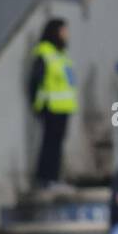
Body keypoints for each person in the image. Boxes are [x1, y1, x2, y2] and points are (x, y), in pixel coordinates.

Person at [28, 18, 75, 188]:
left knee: (57, 144)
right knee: (50, 144)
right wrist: (38, 105)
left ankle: (54, 177)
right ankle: (46, 178)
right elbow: (36, 81)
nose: (66, 34)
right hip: (51, 106)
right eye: (63, 30)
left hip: (64, 106)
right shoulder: (45, 52)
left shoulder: (60, 53)